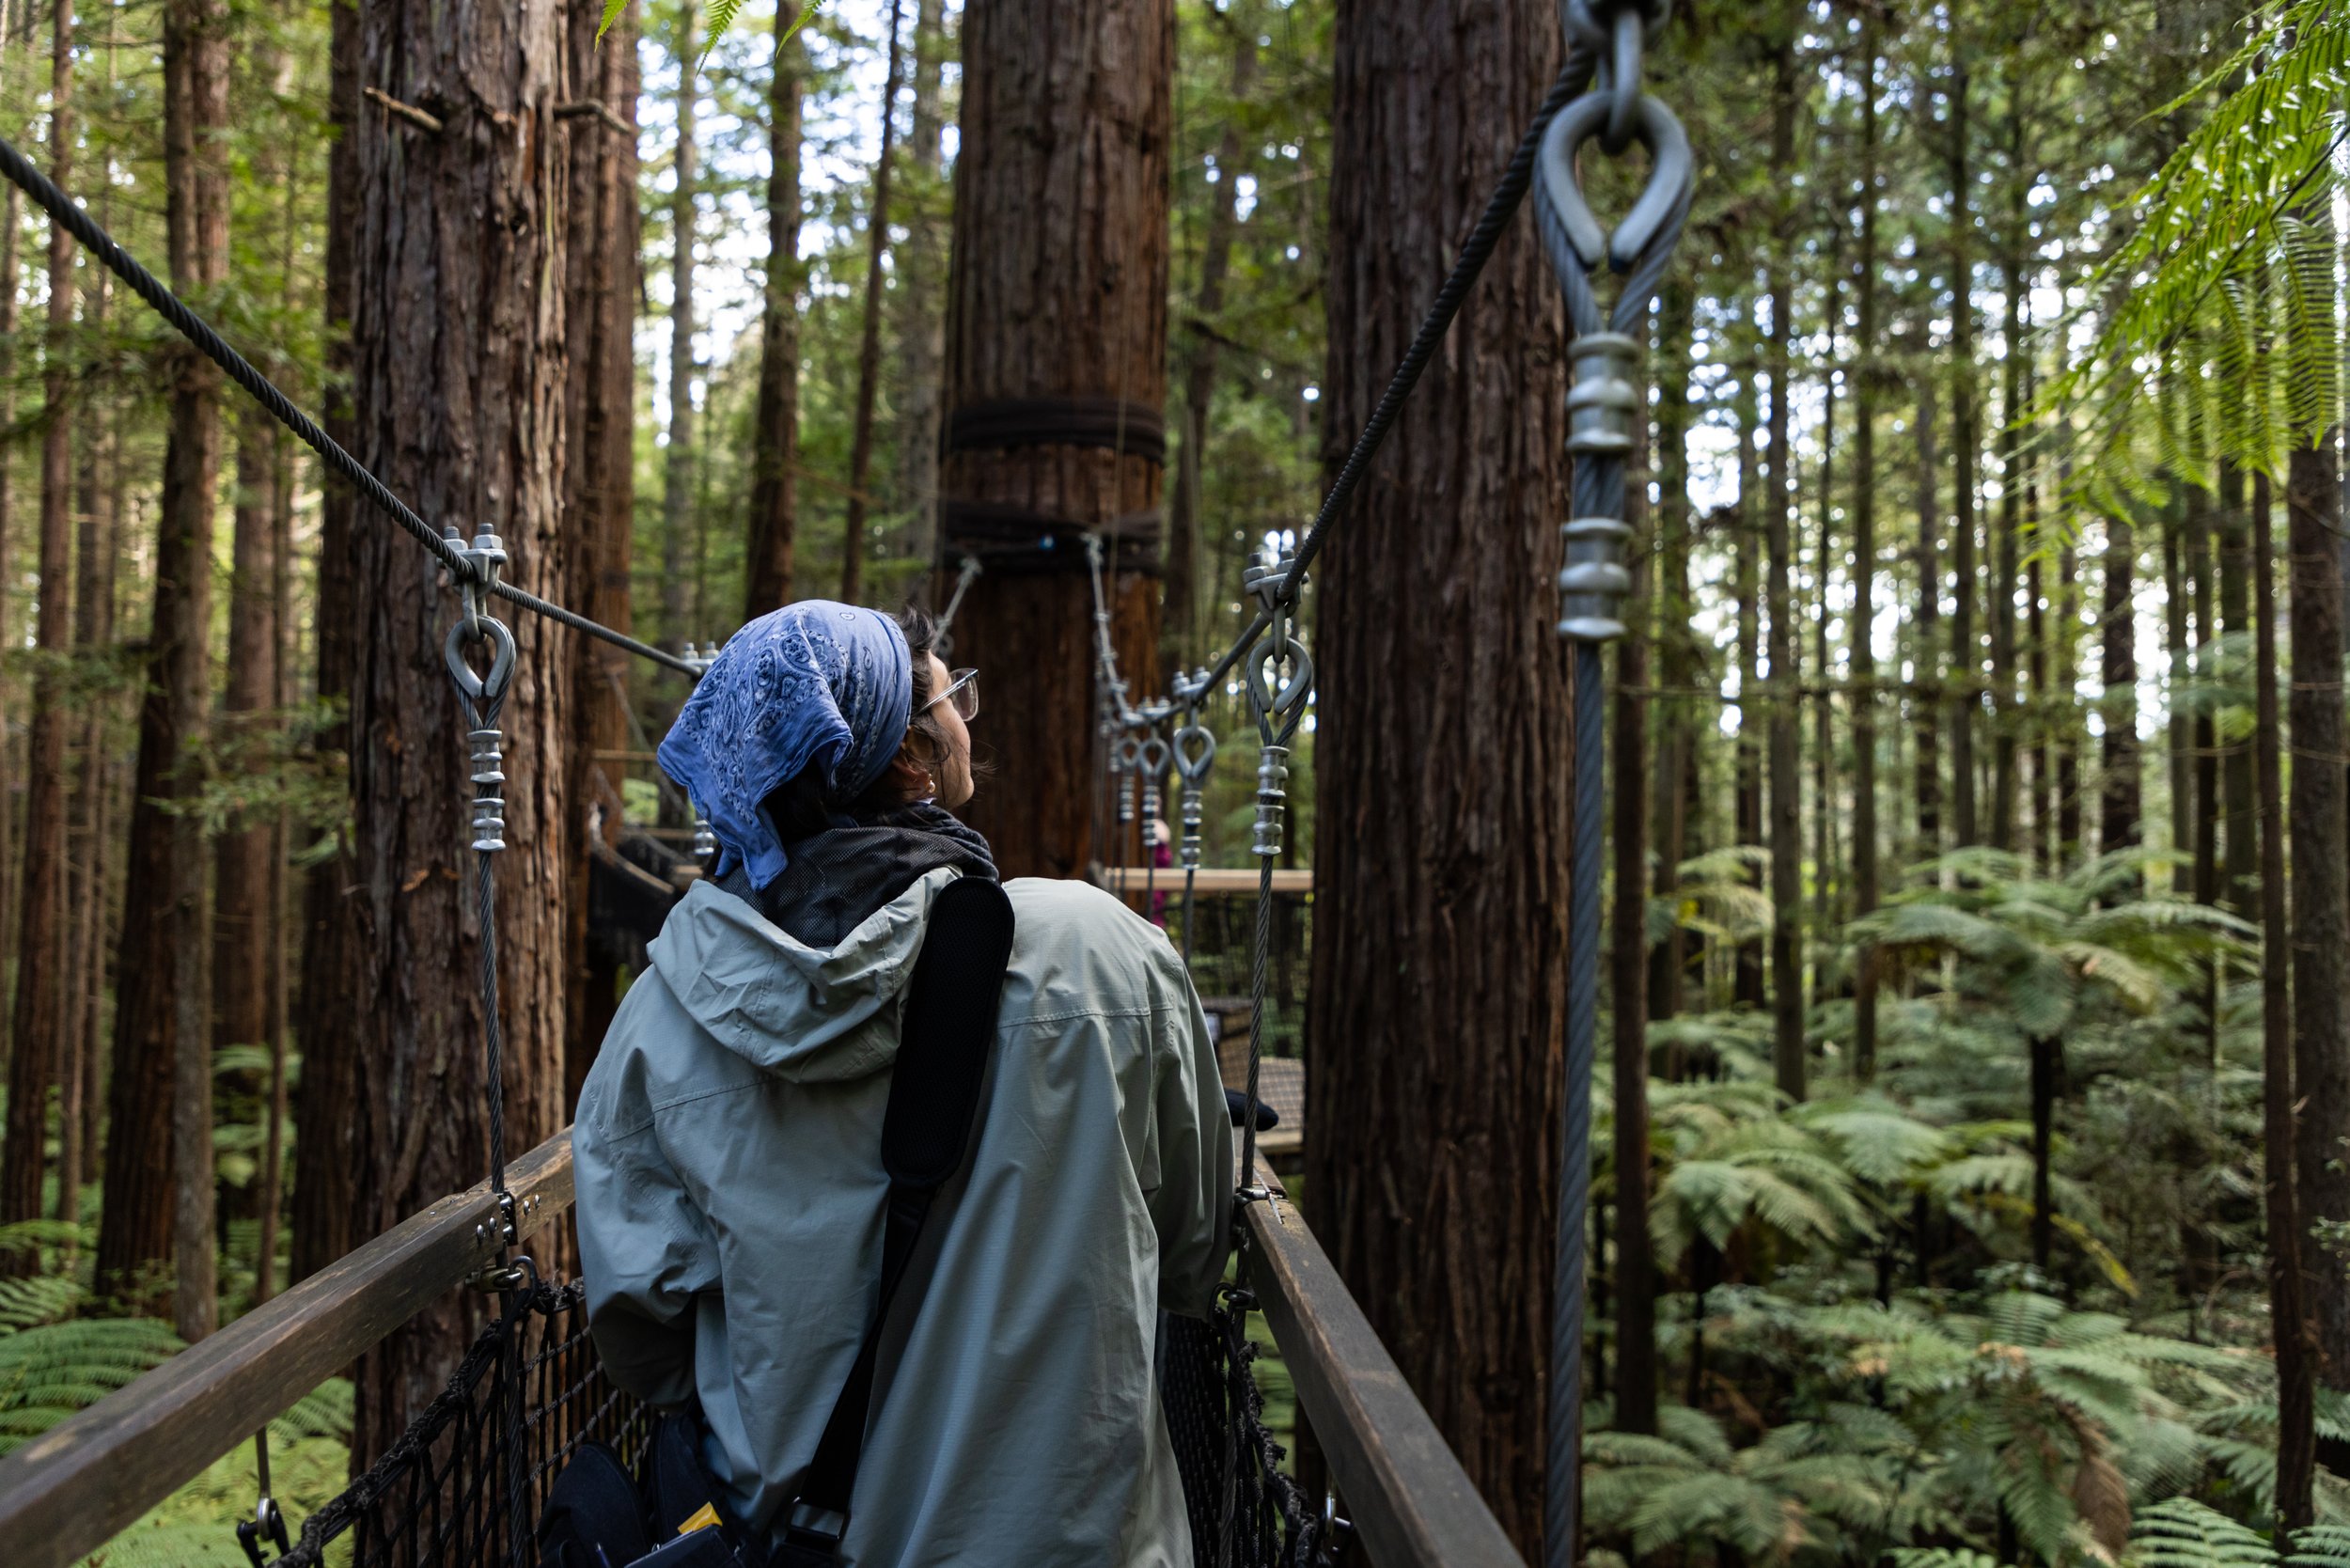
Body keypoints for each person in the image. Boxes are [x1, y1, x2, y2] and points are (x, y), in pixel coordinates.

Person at [572, 600, 1233, 1568]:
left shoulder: (659, 1015)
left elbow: (643, 1345)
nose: (970, 710)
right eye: (949, 695)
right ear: (912, 764)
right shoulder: (1096, 953)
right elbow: (1191, 1251)